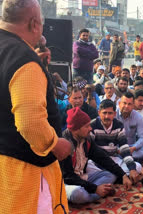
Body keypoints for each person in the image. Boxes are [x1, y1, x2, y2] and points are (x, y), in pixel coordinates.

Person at [0, 0, 71, 212]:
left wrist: (38, 68)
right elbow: (30, 123)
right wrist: (57, 145)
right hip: (24, 171)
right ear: (33, 24)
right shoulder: (23, 59)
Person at [61, 107, 132, 204]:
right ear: (76, 129)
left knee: (111, 175)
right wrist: (95, 188)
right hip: (66, 183)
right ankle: (96, 193)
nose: (90, 128)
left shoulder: (87, 139)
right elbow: (68, 177)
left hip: (83, 177)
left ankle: (93, 193)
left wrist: (123, 175)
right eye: (86, 126)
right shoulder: (65, 145)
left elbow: (103, 158)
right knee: (78, 194)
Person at [90, 100, 141, 180]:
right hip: (97, 161)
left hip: (112, 158)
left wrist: (132, 169)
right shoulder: (93, 125)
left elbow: (124, 149)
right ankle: (117, 177)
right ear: (99, 113)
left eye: (110, 113)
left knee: (137, 167)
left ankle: (114, 177)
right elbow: (90, 150)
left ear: (114, 114)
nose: (107, 116)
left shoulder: (118, 125)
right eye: (104, 113)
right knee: (90, 168)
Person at [116, 92, 143, 161]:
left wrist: (134, 147)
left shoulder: (137, 117)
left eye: (129, 104)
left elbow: (142, 137)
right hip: (117, 148)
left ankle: (125, 159)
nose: (126, 106)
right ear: (119, 104)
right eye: (124, 103)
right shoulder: (113, 115)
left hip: (132, 148)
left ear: (133, 106)